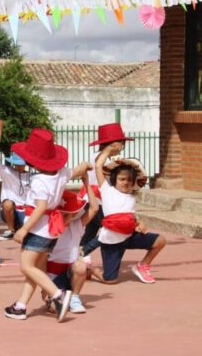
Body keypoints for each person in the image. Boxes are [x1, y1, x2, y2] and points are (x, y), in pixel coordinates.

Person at [3, 128, 91, 322]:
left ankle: (57, 294)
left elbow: (41, 207)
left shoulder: (39, 181)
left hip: (37, 229)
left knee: (26, 267)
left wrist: (24, 229)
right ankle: (20, 306)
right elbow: (76, 171)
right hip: (51, 232)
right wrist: (86, 166)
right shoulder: (60, 174)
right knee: (36, 271)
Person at [89, 150, 166, 284]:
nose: (125, 183)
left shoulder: (131, 196)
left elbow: (129, 216)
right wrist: (108, 149)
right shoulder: (107, 190)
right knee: (110, 280)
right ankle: (90, 269)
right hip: (111, 241)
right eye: (122, 179)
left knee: (160, 241)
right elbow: (98, 167)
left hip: (129, 236)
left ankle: (143, 265)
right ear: (114, 179)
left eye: (129, 180)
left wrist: (139, 223)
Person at [80, 123, 133, 256]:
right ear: (112, 143)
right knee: (111, 229)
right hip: (97, 200)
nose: (122, 146)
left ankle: (78, 256)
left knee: (90, 233)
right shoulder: (100, 157)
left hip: (94, 200)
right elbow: (101, 171)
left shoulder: (101, 156)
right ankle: (80, 254)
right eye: (120, 142)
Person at [46, 183, 98, 315]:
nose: (68, 218)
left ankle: (75, 298)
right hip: (52, 275)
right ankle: (59, 296)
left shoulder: (76, 226)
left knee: (81, 265)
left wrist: (87, 184)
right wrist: (43, 286)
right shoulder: (46, 228)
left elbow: (94, 209)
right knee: (53, 308)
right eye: (64, 214)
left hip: (71, 271)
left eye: (71, 214)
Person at [0, 120, 30, 241]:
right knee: (8, 203)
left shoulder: (32, 176)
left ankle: (24, 229)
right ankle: (11, 230)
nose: (19, 166)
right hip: (10, 210)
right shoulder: (7, 171)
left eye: (21, 164)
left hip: (27, 211)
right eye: (17, 164)